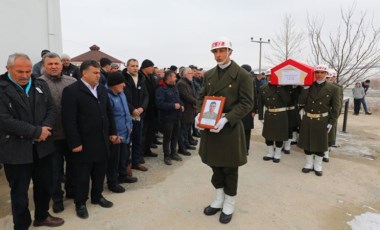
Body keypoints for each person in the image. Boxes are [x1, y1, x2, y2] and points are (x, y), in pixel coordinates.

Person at [0, 53, 64, 229]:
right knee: (19, 191)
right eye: (19, 71)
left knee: (44, 185)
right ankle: (21, 224)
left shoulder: (40, 84)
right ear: (8, 69)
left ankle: (42, 216)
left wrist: (45, 129)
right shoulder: (2, 88)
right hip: (16, 150)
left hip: (43, 147)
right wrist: (36, 131)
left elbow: (51, 109)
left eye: (28, 71)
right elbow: (5, 120)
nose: (25, 75)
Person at [196, 37, 253, 224]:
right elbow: (201, 96)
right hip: (210, 124)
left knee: (229, 167)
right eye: (215, 52)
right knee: (215, 165)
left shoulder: (242, 75)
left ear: (230, 52)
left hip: (229, 127)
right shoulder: (209, 74)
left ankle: (229, 202)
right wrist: (199, 114)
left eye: (222, 51)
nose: (218, 55)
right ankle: (219, 198)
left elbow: (247, 103)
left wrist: (227, 118)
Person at [61, 60, 117, 219]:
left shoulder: (101, 89)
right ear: (84, 73)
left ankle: (97, 196)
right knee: (82, 175)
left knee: (100, 171)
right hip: (83, 143)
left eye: (99, 72)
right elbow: (69, 120)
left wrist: (112, 132)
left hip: (102, 139)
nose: (98, 76)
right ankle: (80, 203)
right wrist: (75, 142)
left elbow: (108, 112)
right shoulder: (72, 91)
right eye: (95, 72)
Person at [39, 52, 77, 213]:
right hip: (51, 137)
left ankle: (71, 191)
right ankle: (57, 198)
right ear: (44, 66)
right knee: (54, 171)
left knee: (73, 167)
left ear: (62, 64)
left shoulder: (73, 82)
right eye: (50, 64)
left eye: (56, 63)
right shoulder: (38, 84)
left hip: (71, 134)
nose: (54, 66)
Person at [298, 64, 340, 177]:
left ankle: (318, 166)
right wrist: (305, 89)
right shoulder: (308, 86)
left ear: (326, 74)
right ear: (314, 73)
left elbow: (336, 108)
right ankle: (308, 164)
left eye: (322, 72)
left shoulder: (333, 89)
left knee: (320, 145)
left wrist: (331, 122)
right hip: (308, 119)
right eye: (317, 72)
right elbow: (301, 101)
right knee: (307, 143)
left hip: (322, 120)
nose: (319, 75)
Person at [106, 72, 137, 194]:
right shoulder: (107, 96)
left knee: (124, 155)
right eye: (121, 83)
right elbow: (108, 118)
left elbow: (125, 111)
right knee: (114, 160)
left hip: (126, 131)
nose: (124, 85)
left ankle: (122, 176)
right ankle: (112, 183)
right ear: (114, 85)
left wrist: (129, 125)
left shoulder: (121, 93)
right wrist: (112, 134)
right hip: (116, 134)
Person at [121, 59, 149, 172]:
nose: (135, 68)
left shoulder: (142, 79)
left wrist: (142, 108)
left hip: (139, 114)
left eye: (137, 66)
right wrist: (132, 109)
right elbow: (122, 96)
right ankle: (126, 165)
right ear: (127, 67)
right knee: (127, 142)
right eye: (132, 66)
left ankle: (136, 162)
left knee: (138, 139)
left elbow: (146, 95)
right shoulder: (122, 78)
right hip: (127, 115)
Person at [258, 78, 291, 163]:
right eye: (268, 75)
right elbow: (260, 103)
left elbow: (287, 100)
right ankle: (270, 153)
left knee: (279, 136)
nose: (270, 77)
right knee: (268, 135)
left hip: (281, 114)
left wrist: (280, 87)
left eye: (272, 75)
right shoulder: (262, 88)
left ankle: (277, 154)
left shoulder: (284, 87)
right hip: (269, 114)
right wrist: (260, 116)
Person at [156, 71, 184, 165]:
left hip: (177, 117)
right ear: (169, 78)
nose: (176, 78)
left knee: (175, 136)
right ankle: (166, 156)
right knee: (167, 138)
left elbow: (178, 99)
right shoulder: (161, 90)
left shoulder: (174, 87)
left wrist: (181, 105)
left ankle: (173, 153)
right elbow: (159, 104)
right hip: (167, 118)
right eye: (174, 77)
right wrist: (173, 106)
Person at [140, 59, 159, 157]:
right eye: (151, 66)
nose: (153, 68)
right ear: (145, 67)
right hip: (144, 110)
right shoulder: (141, 77)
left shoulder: (150, 77)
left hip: (152, 109)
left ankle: (147, 150)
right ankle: (141, 152)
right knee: (143, 133)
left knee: (150, 132)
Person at [177, 67, 197, 156]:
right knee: (182, 130)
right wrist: (198, 102)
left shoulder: (189, 82)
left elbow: (193, 94)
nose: (192, 74)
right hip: (185, 111)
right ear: (185, 74)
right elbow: (186, 96)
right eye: (190, 73)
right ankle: (182, 148)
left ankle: (186, 144)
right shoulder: (181, 83)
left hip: (190, 110)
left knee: (187, 129)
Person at [240, 64, 257, 155]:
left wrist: (254, 110)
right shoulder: (237, 80)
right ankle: (240, 148)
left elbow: (254, 96)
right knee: (238, 130)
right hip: (238, 110)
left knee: (247, 130)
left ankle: (246, 149)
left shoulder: (251, 81)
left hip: (248, 110)